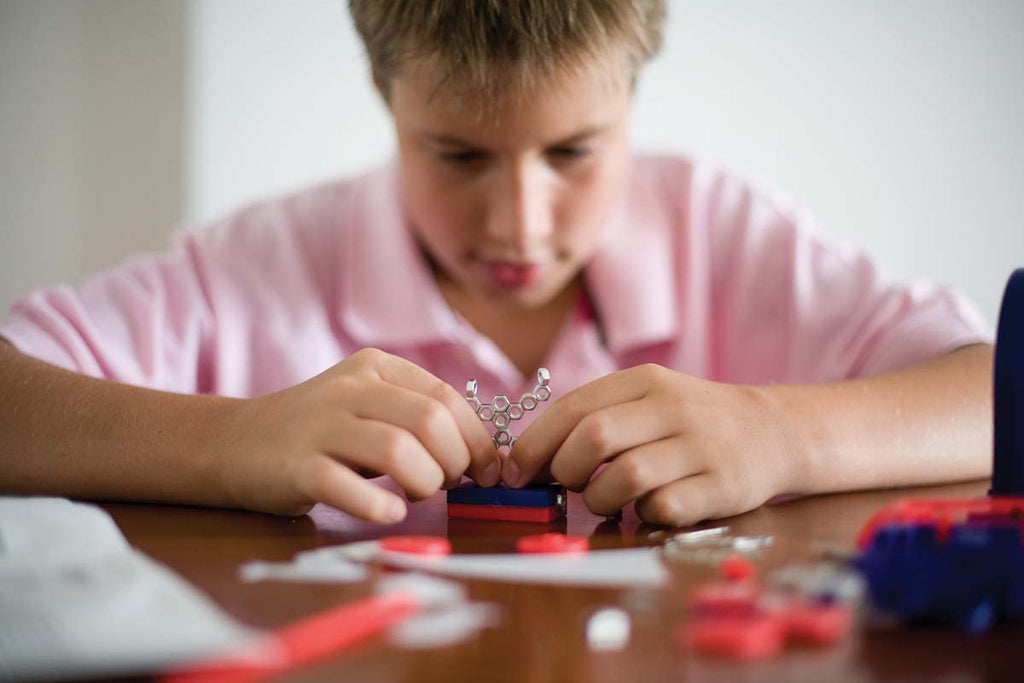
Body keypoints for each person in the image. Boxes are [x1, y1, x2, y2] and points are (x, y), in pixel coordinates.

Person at [0, 1, 993, 527]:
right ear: (385, 97)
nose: (519, 222)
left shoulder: (722, 227)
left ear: (632, 98)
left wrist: (785, 432)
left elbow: (996, 386)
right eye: (460, 154)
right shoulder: (255, 265)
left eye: (572, 152)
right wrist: (228, 443)